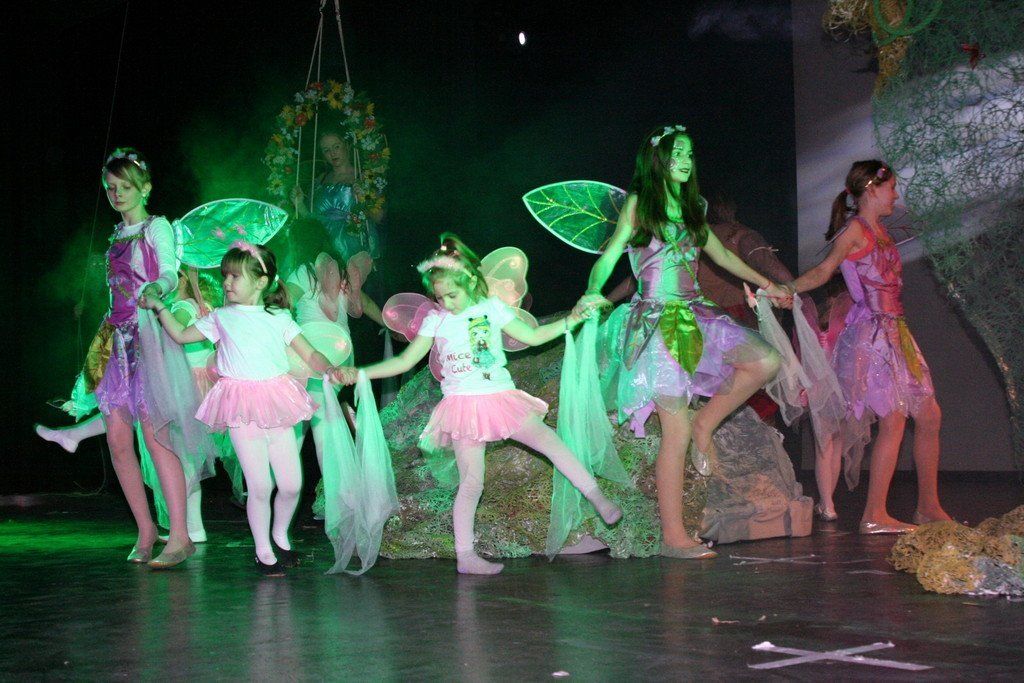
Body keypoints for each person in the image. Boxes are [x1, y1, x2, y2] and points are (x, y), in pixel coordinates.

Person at [336, 235, 622, 575]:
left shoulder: (491, 308)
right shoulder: (437, 320)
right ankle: (465, 556)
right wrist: (360, 373)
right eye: (439, 297)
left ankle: (596, 496)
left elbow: (533, 337)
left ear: (471, 281)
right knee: (472, 482)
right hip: (463, 409)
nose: (446, 302)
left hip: (500, 399)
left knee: (552, 443)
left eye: (452, 295)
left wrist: (572, 320)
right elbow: (404, 361)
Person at [580, 125, 788, 559]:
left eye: (690, 154)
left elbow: (723, 256)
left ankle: (705, 423)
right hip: (655, 320)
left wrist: (768, 284)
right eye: (677, 154)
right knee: (673, 429)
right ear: (658, 159)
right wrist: (593, 291)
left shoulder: (694, 207)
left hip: (696, 313)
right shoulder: (640, 204)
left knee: (766, 360)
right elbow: (612, 253)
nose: (686, 162)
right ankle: (674, 537)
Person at [141, 242, 339, 575]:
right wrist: (159, 305)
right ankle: (263, 550)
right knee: (260, 486)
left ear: (261, 281)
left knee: (291, 484)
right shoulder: (221, 317)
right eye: (225, 276)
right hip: (241, 407)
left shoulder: (279, 318)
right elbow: (180, 335)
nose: (227, 282)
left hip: (277, 403)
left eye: (235, 276)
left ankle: (280, 536)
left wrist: (331, 368)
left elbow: (310, 354)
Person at [72, 148, 216, 568]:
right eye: (110, 188)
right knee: (118, 441)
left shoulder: (158, 227)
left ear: (145, 188)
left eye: (125, 186)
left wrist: (158, 288)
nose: (116, 194)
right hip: (113, 340)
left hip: (148, 337)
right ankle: (146, 529)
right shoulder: (116, 234)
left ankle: (181, 536)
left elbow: (170, 270)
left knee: (157, 437)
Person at [790, 160, 951, 533]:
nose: (895, 194)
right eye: (891, 187)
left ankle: (928, 506)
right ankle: (874, 514)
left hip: (897, 332)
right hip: (873, 334)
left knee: (929, 415)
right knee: (894, 418)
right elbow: (824, 271)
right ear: (871, 189)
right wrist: (786, 289)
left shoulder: (882, 232)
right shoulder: (855, 230)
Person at [37, 268, 241, 542]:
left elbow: (175, 331)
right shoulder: (199, 306)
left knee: (149, 429)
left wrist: (151, 326)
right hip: (191, 387)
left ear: (181, 280)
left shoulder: (182, 307)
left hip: (184, 388)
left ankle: (75, 434)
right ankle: (194, 528)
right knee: (180, 455)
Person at [291, 130, 384, 262]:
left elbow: (378, 217)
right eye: (326, 150)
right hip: (323, 247)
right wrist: (300, 205)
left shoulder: (364, 177)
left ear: (346, 146)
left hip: (353, 248)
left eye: (336, 147)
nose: (332, 153)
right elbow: (313, 220)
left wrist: (364, 198)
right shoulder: (321, 179)